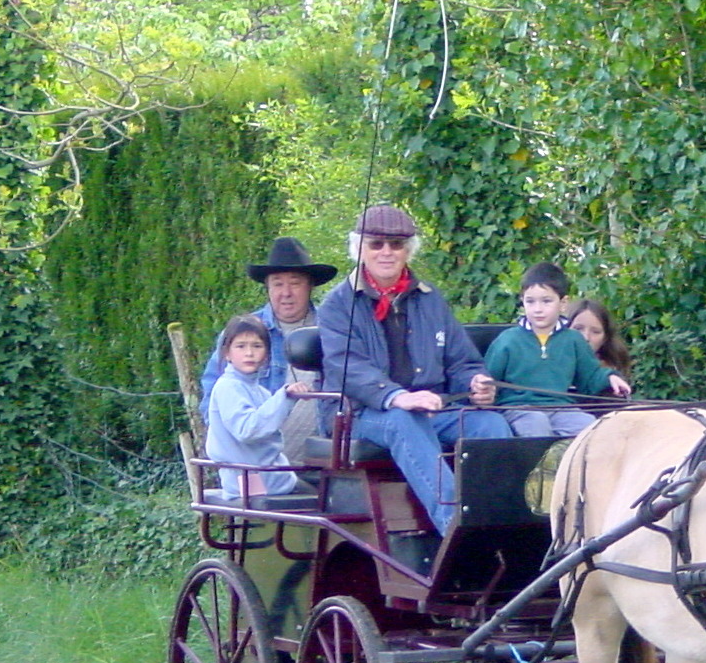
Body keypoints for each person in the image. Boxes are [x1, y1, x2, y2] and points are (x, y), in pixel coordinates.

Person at [315, 204, 511, 535]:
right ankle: (458, 529)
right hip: (360, 414)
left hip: (433, 408)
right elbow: (347, 366)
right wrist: (396, 396)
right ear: (359, 248)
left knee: (490, 425)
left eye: (396, 244)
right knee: (404, 421)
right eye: (376, 243)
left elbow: (462, 360)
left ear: (409, 249)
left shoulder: (430, 299)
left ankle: (503, 520)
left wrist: (476, 382)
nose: (387, 252)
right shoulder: (337, 305)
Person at [199, 236, 336, 462]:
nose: (286, 292)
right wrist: (235, 454)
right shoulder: (242, 334)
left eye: (295, 283)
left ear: (310, 286)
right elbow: (212, 399)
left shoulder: (334, 332)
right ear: (267, 288)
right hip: (259, 465)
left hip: (325, 461)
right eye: (278, 284)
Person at [484, 264, 631, 438]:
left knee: (589, 427)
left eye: (546, 301)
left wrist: (610, 377)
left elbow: (590, 375)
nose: (538, 309)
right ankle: (540, 457)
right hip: (519, 408)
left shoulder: (573, 340)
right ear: (522, 301)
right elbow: (487, 376)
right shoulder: (508, 340)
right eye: (530, 301)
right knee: (536, 424)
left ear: (563, 304)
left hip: (561, 408)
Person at [205, 315, 316, 500]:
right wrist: (285, 396)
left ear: (266, 355)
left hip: (271, 476)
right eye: (241, 346)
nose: (249, 353)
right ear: (226, 353)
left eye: (257, 346)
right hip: (250, 480)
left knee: (322, 486)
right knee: (326, 500)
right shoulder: (228, 387)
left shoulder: (259, 391)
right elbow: (247, 430)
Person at [568, 297, 633, 381]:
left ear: (605, 338)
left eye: (595, 332)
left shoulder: (610, 377)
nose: (586, 337)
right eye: (578, 328)